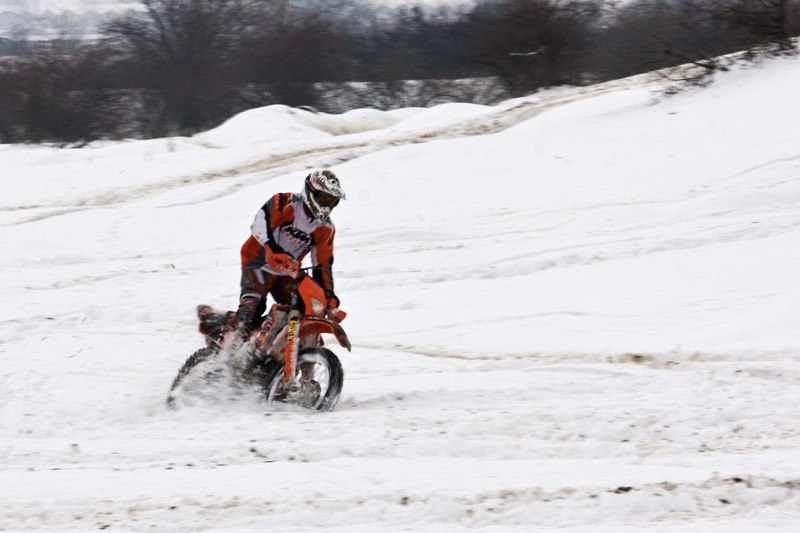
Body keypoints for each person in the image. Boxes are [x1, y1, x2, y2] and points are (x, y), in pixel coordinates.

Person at [224, 169, 346, 342]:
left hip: (288, 272)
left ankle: (272, 346)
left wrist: (328, 297)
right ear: (311, 192)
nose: (327, 205)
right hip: (258, 262)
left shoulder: (326, 229)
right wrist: (271, 247)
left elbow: (322, 266)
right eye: (324, 199)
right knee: (253, 308)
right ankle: (225, 345)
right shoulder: (283, 202)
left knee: (303, 310)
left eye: (332, 201)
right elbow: (259, 223)